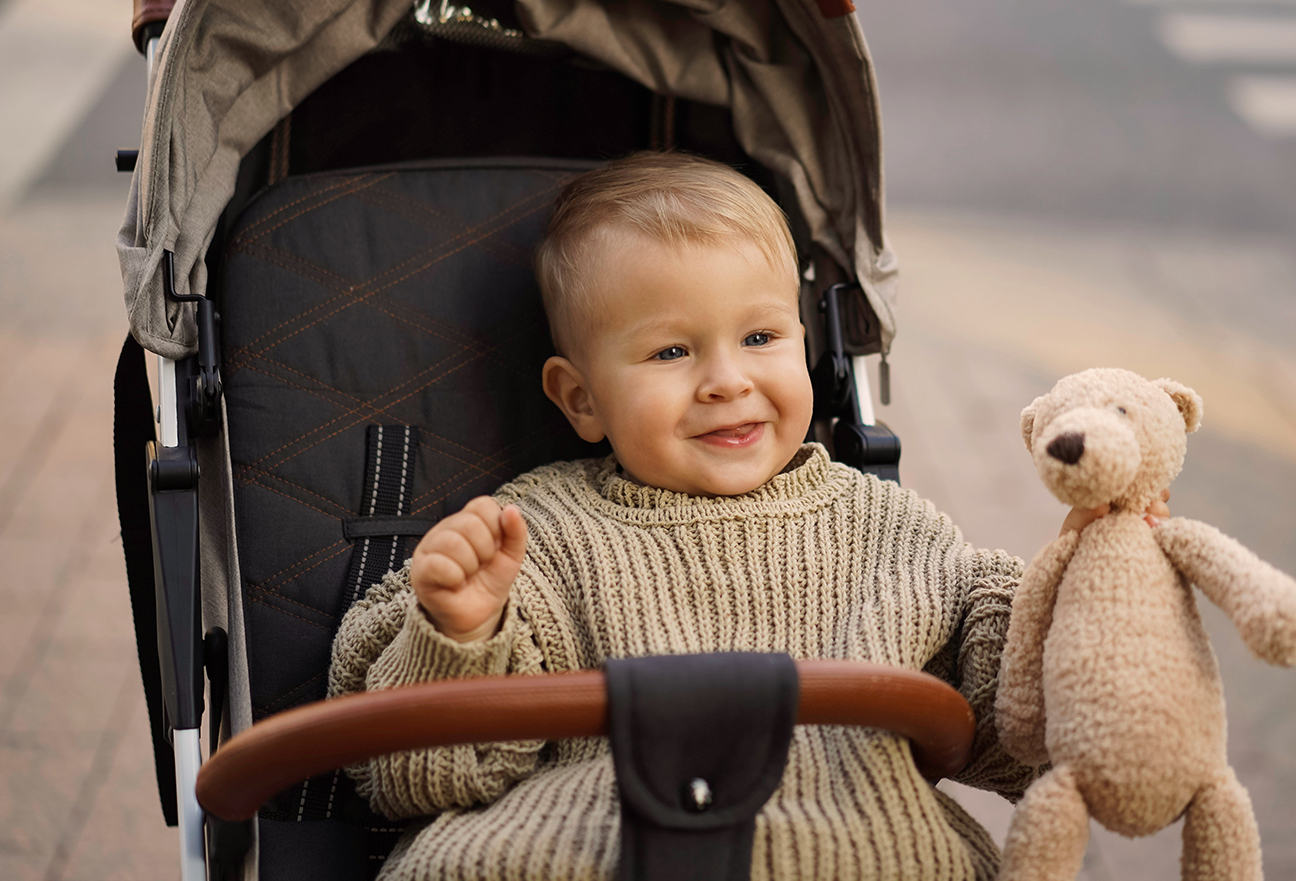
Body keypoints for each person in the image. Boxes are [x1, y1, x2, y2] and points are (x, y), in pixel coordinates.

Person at [328, 152, 1159, 880]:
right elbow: (419, 779)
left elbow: (1024, 728)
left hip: (857, 848)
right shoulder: (530, 540)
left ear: (805, 342)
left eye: (761, 337)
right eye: (671, 352)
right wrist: (459, 637)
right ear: (580, 398)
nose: (726, 380)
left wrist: (1087, 593)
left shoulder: (896, 536)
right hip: (582, 849)